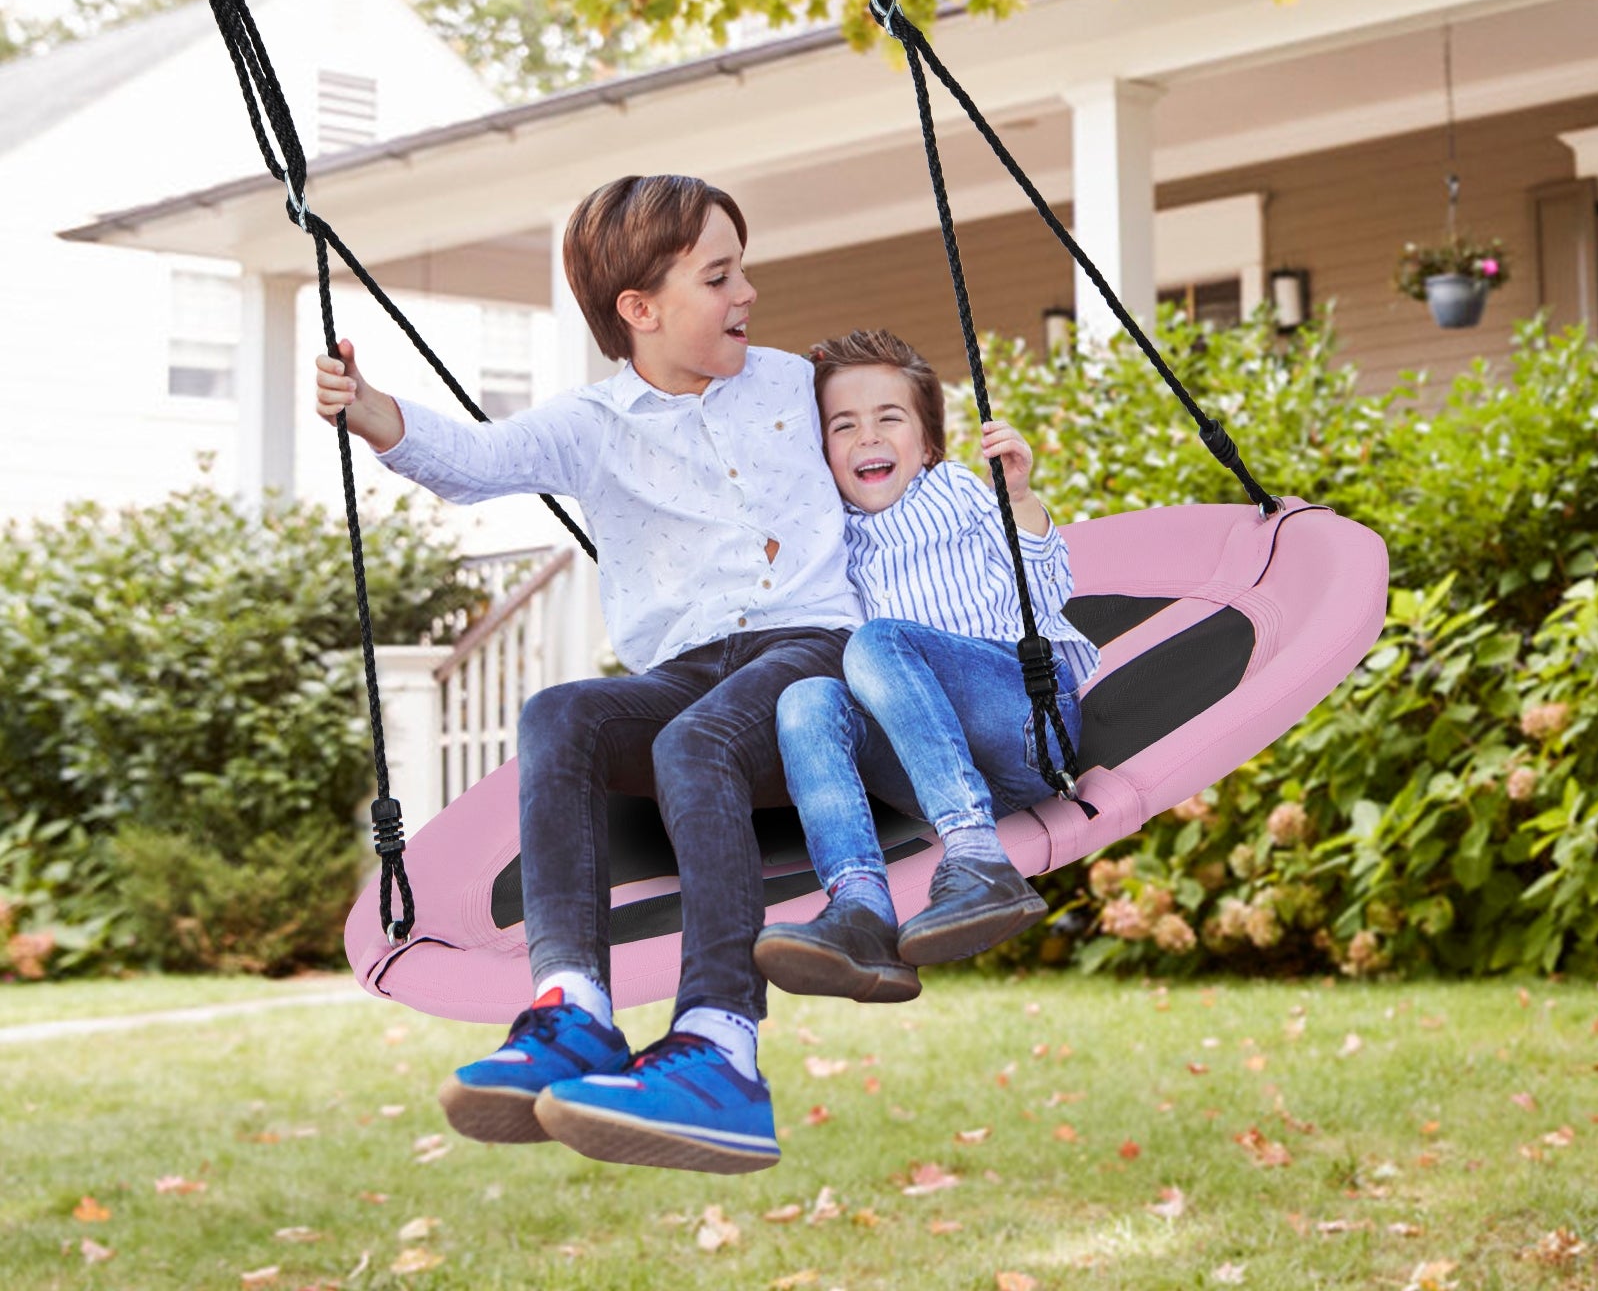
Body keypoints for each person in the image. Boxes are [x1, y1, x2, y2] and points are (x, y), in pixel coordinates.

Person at [314, 175, 862, 1175]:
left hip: (812, 659)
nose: (748, 293)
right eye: (720, 275)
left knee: (691, 738)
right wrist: (372, 409)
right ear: (640, 310)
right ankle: (573, 1009)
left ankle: (723, 1050)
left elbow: (901, 464)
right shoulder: (596, 424)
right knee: (561, 713)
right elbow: (473, 461)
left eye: (743, 269)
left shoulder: (802, 386)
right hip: (691, 674)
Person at [753, 329, 1100, 1004]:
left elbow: (1048, 587)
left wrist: (1021, 499)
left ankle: (976, 861)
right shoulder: (826, 540)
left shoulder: (959, 490)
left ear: (928, 443)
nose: (867, 439)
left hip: (1021, 718)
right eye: (843, 426)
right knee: (807, 698)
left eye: (890, 419)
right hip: (922, 768)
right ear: (820, 454)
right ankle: (859, 912)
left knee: (878, 643)